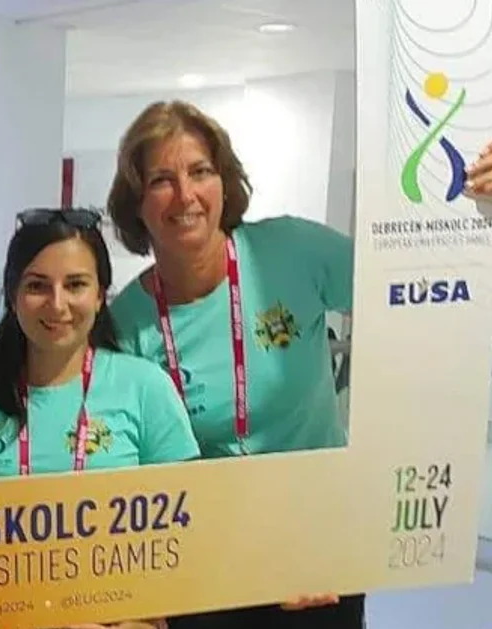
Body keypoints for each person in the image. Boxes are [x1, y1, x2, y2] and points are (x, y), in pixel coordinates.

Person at [106, 100, 362, 627]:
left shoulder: (292, 251)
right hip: (206, 568)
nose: (186, 195)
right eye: (161, 180)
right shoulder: (126, 325)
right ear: (136, 203)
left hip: (319, 551)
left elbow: (413, 286)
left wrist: (478, 213)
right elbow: (128, 475)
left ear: (225, 183)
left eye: (201, 171)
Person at [0, 209, 196, 629]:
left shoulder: (146, 389)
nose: (57, 304)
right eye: (37, 286)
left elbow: (186, 539)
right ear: (12, 295)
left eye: (75, 285)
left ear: (101, 294)